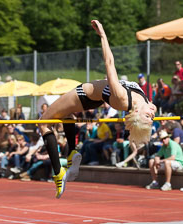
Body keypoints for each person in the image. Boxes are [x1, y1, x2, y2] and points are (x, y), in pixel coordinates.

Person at [38, 20, 156, 198]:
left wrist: (103, 36)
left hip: (84, 94)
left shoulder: (123, 98)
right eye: (152, 118)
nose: (153, 115)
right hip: (94, 98)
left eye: (148, 117)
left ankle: (58, 173)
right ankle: (71, 154)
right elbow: (148, 114)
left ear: (137, 115)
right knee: (65, 114)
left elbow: (109, 63)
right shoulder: (148, 104)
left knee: (43, 123)